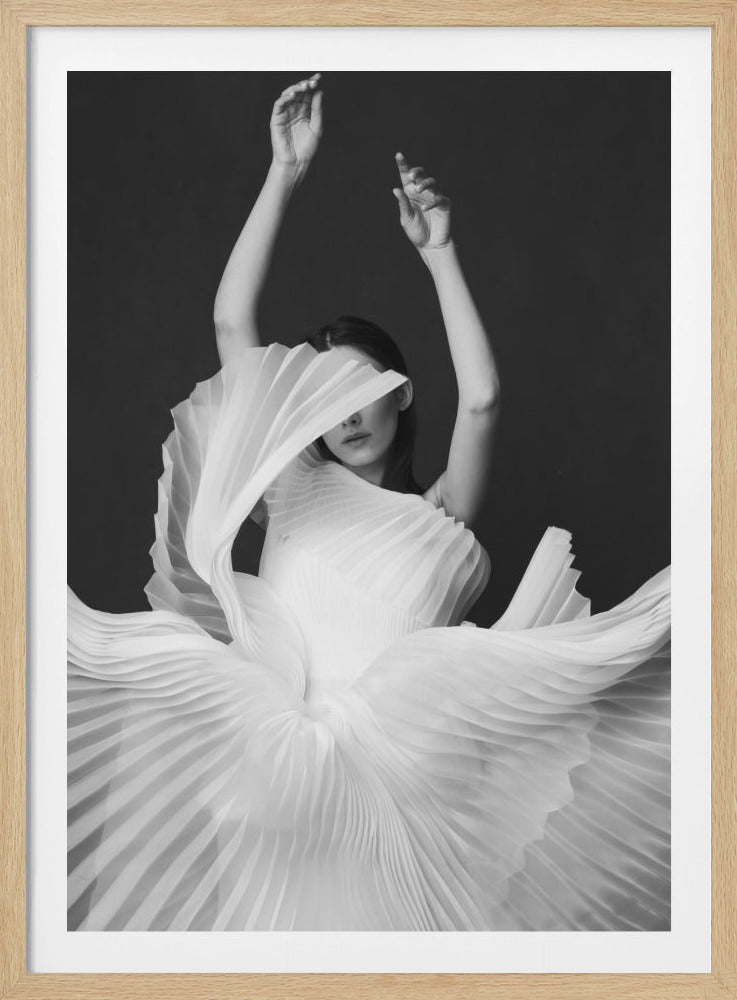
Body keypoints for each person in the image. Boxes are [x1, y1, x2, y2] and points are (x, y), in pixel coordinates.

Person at [67, 75, 671, 932]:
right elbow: (232, 322)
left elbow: (487, 397)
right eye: (322, 395)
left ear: (401, 394)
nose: (343, 414)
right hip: (273, 780)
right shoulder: (293, 486)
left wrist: (438, 254)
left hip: (403, 806)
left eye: (360, 389)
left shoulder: (444, 516)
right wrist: (283, 173)